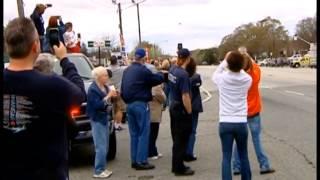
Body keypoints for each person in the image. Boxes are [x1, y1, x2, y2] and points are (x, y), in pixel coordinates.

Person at [2, 17, 86, 180]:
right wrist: (64, 59)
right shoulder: (53, 85)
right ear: (35, 47)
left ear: (7, 46)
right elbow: (79, 93)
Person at [232, 47, 275, 175]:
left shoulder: (236, 77)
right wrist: (246, 54)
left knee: (238, 140)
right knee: (256, 139)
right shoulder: (254, 74)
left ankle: (236, 166)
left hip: (240, 112)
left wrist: (239, 56)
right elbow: (254, 64)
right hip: (254, 111)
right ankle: (264, 164)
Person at [121, 48, 164, 170]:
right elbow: (156, 79)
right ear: (143, 58)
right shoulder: (143, 70)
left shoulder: (127, 70)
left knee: (134, 134)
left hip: (129, 104)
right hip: (141, 103)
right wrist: (160, 73)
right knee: (144, 133)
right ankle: (141, 161)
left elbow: (123, 88)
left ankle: (134, 160)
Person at [212, 51, 252, 180]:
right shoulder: (247, 79)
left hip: (225, 121)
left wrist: (226, 60)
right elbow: (243, 71)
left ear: (228, 63)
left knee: (226, 157)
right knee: (243, 155)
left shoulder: (222, 78)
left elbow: (216, 73)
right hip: (241, 121)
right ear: (242, 64)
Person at [86, 66, 117, 178]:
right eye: (104, 75)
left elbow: (109, 101)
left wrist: (113, 95)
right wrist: (108, 96)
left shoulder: (105, 86)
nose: (107, 77)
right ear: (98, 77)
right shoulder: (93, 89)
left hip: (105, 118)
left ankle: (103, 168)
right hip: (97, 119)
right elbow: (97, 105)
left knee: (106, 145)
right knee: (100, 146)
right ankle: (98, 171)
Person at [168, 48, 195, 176]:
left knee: (176, 137)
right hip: (180, 108)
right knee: (182, 139)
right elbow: (185, 96)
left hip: (173, 105)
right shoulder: (183, 74)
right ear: (188, 59)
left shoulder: (173, 69)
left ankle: (176, 165)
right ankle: (179, 168)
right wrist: (189, 112)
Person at [184, 57, 203, 162]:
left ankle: (185, 150)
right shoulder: (196, 77)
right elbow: (199, 84)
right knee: (192, 130)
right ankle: (189, 152)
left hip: (184, 105)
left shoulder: (182, 76)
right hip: (194, 105)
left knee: (184, 130)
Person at [147, 63, 166, 160]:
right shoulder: (155, 85)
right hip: (154, 111)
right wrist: (164, 100)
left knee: (152, 132)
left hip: (150, 110)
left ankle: (153, 150)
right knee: (153, 133)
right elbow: (160, 96)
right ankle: (151, 152)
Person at [107, 55, 126, 131]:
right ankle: (117, 125)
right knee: (119, 109)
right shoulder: (121, 70)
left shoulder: (106, 69)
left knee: (112, 108)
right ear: (116, 61)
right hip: (118, 91)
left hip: (109, 91)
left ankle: (113, 124)